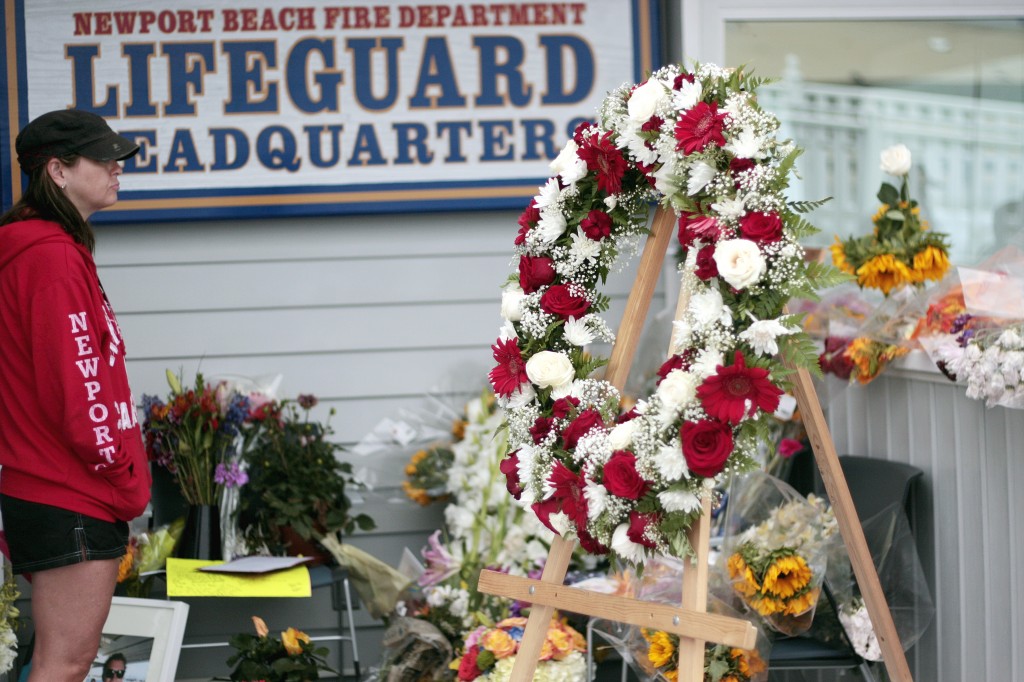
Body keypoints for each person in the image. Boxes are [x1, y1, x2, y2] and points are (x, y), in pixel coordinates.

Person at [0, 109, 151, 682]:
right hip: (71, 493)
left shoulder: (44, 250)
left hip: (51, 488)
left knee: (56, 662)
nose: (118, 167)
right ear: (58, 171)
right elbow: (78, 387)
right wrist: (120, 476)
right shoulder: (51, 256)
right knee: (64, 666)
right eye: (103, 157)